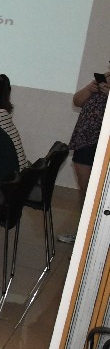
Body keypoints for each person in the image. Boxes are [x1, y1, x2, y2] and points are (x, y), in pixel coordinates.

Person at [65, 63, 109, 241]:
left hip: (102, 143)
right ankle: (83, 233)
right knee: (86, 192)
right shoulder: (103, 80)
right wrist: (90, 88)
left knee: (97, 194)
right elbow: (77, 101)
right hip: (85, 141)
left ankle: (94, 236)